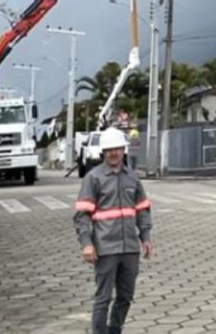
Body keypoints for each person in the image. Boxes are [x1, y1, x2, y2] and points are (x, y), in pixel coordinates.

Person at [73, 127, 153, 334]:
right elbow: (82, 215)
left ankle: (115, 329)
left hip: (130, 249)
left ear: (123, 150)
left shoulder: (132, 178)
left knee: (126, 296)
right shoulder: (93, 178)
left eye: (117, 148)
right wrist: (87, 244)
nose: (113, 153)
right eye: (109, 149)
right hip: (105, 248)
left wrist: (146, 237)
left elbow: (142, 209)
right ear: (103, 152)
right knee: (103, 298)